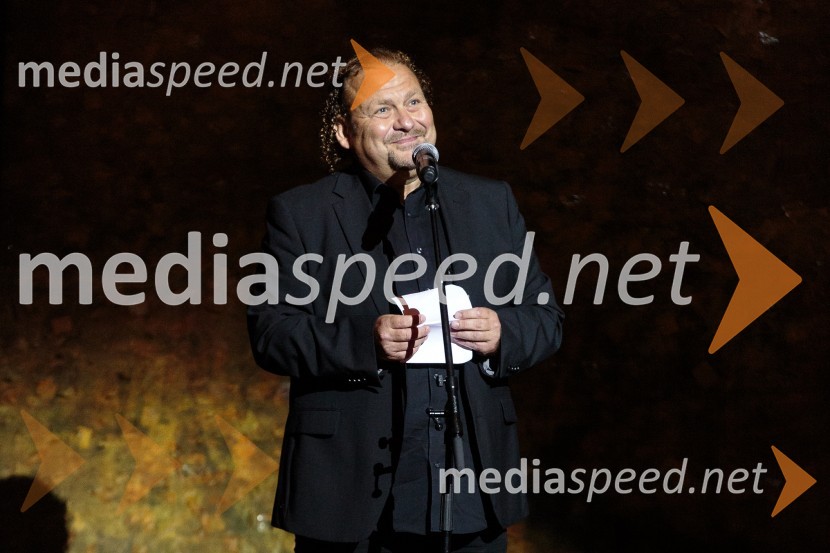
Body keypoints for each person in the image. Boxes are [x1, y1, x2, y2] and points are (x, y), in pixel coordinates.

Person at [247, 47, 563, 553]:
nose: (406, 121)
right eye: (382, 109)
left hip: (471, 489)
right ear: (344, 133)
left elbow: (545, 318)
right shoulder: (301, 213)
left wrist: (504, 333)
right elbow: (271, 332)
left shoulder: (490, 202)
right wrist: (364, 342)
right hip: (350, 496)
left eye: (414, 102)